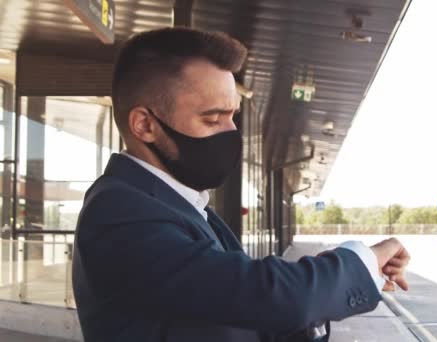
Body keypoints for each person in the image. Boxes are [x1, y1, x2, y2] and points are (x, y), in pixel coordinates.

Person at [72, 27, 410, 342]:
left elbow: (241, 308)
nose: (231, 132)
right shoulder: (119, 212)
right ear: (145, 125)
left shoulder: (187, 207)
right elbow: (262, 293)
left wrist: (320, 289)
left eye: (232, 115)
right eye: (212, 118)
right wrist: (358, 262)